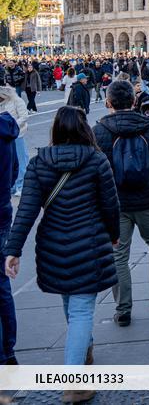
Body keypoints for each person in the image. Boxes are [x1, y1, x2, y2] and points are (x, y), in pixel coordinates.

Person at [3, 107, 120, 403]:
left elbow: (27, 210)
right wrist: (115, 234)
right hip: (90, 243)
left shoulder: (39, 161)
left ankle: (84, 347)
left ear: (55, 129)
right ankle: (73, 383)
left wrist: (13, 250)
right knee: (81, 310)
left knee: (71, 303)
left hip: (53, 243)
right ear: (85, 129)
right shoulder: (96, 160)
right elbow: (110, 205)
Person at [94, 81, 149, 327]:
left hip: (115, 204)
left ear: (108, 103)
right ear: (134, 102)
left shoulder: (98, 131)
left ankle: (123, 309)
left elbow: (94, 173)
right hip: (148, 200)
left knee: (118, 254)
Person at [0, 111, 19, 366]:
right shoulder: (6, 129)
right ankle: (8, 350)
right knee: (2, 285)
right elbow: (15, 171)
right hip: (2, 208)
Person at [0, 87, 28, 198]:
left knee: (21, 161)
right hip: (5, 136)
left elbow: (24, 116)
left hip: (18, 134)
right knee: (9, 162)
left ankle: (21, 186)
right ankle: (12, 185)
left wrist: (11, 125)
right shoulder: (2, 103)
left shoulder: (17, 101)